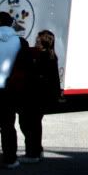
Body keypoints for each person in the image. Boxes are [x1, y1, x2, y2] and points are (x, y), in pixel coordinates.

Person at [18, 30, 61, 164]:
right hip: (42, 96)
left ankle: (32, 153)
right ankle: (36, 150)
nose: (36, 41)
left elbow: (36, 75)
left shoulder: (42, 56)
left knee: (28, 123)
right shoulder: (51, 55)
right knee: (34, 123)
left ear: (44, 42)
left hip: (34, 95)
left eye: (38, 40)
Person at [0, 10, 31, 169]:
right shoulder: (20, 42)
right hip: (10, 90)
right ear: (11, 23)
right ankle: (10, 158)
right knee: (7, 125)